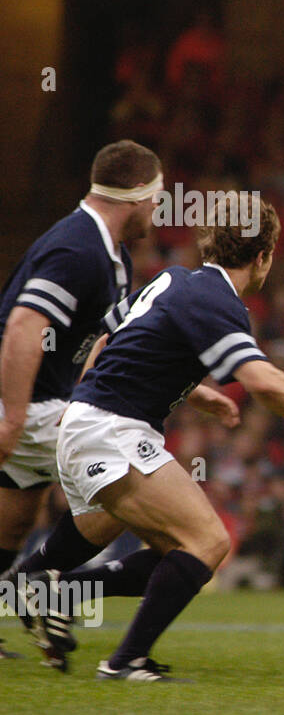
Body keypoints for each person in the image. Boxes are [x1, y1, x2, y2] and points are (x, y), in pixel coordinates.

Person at [41, 197, 284, 681]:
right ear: (264, 257)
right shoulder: (220, 301)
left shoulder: (174, 278)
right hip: (111, 429)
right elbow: (262, 382)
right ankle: (124, 660)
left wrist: (189, 395)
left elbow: (109, 342)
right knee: (209, 542)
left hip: (90, 422)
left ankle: (60, 592)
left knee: (179, 548)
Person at [0, 141, 162, 665]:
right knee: (125, 482)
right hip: (33, 406)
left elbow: (103, 341)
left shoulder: (109, 252)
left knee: (14, 520)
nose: (159, 210)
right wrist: (13, 415)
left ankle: (36, 594)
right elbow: (26, 324)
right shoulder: (78, 249)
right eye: (157, 198)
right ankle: (51, 588)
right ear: (137, 196)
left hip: (47, 401)